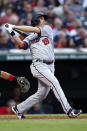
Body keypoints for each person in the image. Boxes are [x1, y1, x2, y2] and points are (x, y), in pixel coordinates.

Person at [5, 13, 82, 119]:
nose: (44, 20)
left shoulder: (47, 28)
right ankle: (69, 110)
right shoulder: (31, 37)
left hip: (50, 65)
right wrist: (12, 32)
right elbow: (22, 45)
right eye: (41, 19)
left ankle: (18, 109)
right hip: (39, 65)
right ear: (35, 21)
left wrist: (14, 26)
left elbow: (35, 30)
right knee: (54, 83)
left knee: (42, 95)